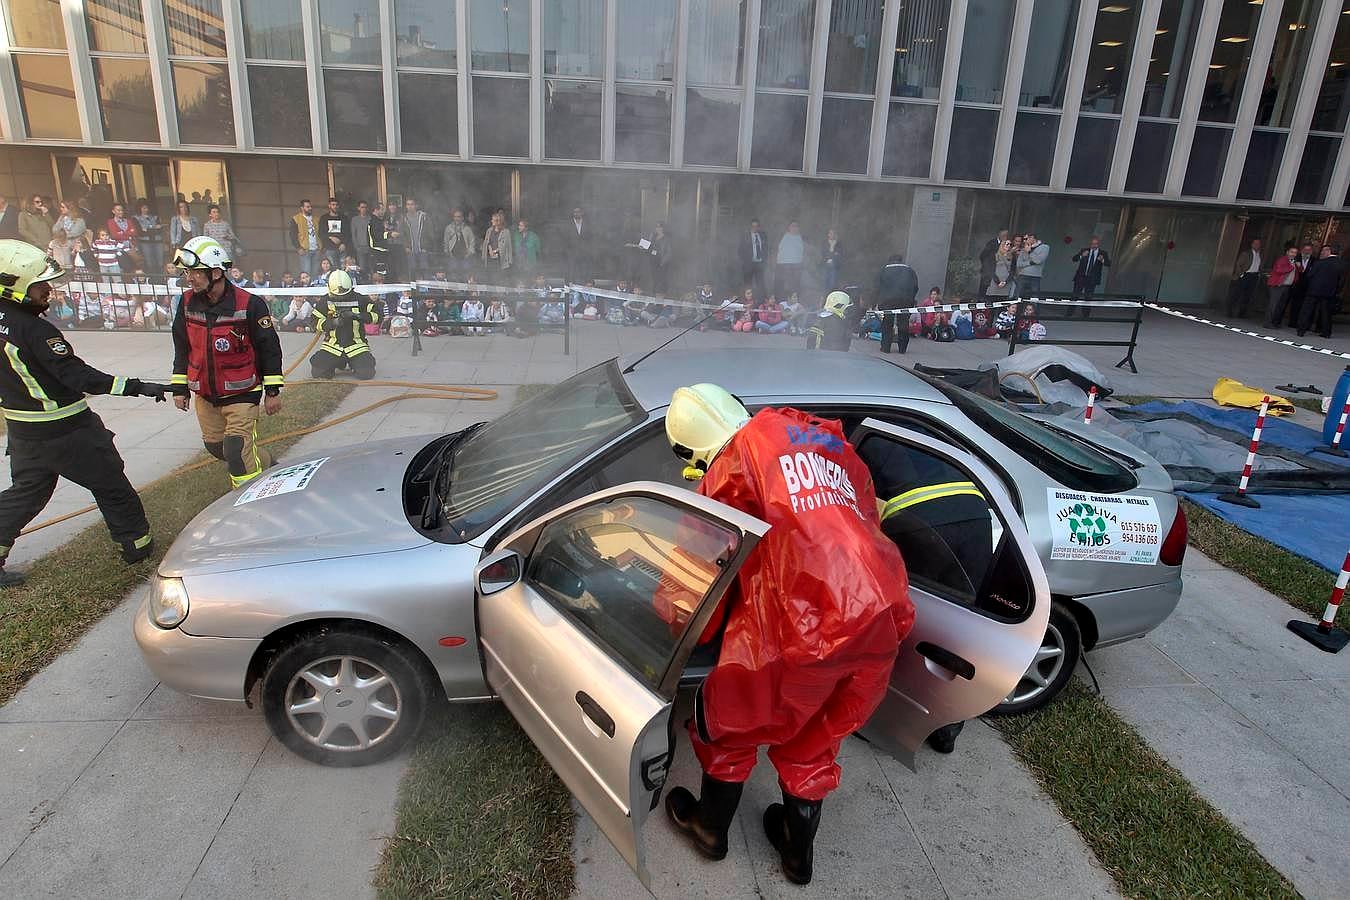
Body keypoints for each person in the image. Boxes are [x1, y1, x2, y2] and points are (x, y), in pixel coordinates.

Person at [661, 384, 914, 885]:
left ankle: (709, 830)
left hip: (804, 633)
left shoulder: (732, 465)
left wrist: (675, 627)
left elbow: (697, 572)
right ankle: (798, 857)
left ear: (694, 456)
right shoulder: (821, 439)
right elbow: (860, 516)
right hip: (882, 615)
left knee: (730, 722)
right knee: (816, 737)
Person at [0, 240, 170, 584]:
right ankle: (138, 548)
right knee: (112, 486)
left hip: (23, 432)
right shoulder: (36, 330)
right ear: (14, 287)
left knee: (26, 494)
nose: (48, 291)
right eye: (40, 286)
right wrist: (139, 386)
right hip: (67, 430)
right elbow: (79, 377)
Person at [169, 236, 284, 490]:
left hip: (242, 393)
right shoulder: (186, 304)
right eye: (187, 272)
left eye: (196, 272)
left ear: (217, 272)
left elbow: (269, 349)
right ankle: (269, 466)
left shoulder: (250, 305)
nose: (189, 278)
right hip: (206, 395)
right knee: (216, 446)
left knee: (236, 451)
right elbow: (182, 347)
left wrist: (272, 391)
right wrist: (180, 387)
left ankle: (249, 504)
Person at [310, 270, 379, 379]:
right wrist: (333, 322)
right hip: (333, 346)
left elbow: (377, 315)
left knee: (366, 373)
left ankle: (355, 363)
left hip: (356, 345)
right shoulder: (325, 301)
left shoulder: (360, 299)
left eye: (344, 294)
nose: (341, 299)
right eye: (337, 296)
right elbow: (314, 321)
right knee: (318, 372)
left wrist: (358, 316)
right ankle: (337, 363)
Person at [876, 253, 919, 354]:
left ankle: (885, 348)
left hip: (888, 301)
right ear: (901, 260)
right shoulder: (910, 271)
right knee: (903, 324)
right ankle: (902, 349)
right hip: (905, 301)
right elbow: (916, 287)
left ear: (890, 260)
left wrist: (877, 301)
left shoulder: (884, 270)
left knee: (887, 323)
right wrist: (911, 299)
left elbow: (877, 287)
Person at [1298, 243, 1342, 339]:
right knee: (1326, 312)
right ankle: (1326, 332)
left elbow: (1310, 275)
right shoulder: (1340, 264)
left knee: (1307, 310)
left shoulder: (1320, 262)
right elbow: (1341, 280)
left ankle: (1301, 330)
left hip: (1314, 290)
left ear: (1329, 251)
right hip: (1329, 292)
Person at [1070, 236, 1111, 318]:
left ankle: (1085, 315)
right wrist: (1082, 256)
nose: (1093, 245)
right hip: (1081, 277)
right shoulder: (1084, 250)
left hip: (1092, 279)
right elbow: (1074, 259)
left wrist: (1102, 260)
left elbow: (1108, 264)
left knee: (1088, 297)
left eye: (1095, 244)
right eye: (1092, 244)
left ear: (1098, 244)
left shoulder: (1103, 253)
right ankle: (1069, 313)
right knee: (1075, 296)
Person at [1265, 245, 1300, 329]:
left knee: (1280, 305)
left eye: (1295, 252)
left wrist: (1298, 267)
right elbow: (1279, 270)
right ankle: (1268, 322)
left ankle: (1275, 322)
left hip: (1287, 286)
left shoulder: (1293, 261)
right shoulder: (1282, 260)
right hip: (1278, 285)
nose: (1293, 254)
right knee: (1273, 304)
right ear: (1287, 252)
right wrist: (1291, 267)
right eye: (1292, 252)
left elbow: (1297, 272)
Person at [1230, 238, 1263, 318]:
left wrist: (1259, 273)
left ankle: (1242, 313)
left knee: (1248, 295)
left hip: (1254, 276)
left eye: (1258, 244)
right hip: (1245, 275)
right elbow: (1238, 264)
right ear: (1252, 244)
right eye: (1255, 243)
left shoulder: (1260, 254)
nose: (1257, 245)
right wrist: (1241, 274)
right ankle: (1230, 311)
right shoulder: (1246, 253)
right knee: (1237, 294)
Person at [133, 200, 165, 276]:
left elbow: (160, 230)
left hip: (158, 241)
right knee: (149, 262)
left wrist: (147, 229)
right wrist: (154, 228)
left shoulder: (155, 217)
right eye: (143, 208)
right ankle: (152, 279)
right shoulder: (136, 218)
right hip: (145, 243)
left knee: (160, 262)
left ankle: (161, 278)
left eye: (147, 208)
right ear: (139, 208)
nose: (146, 210)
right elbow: (140, 232)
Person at [443, 208, 477, 277]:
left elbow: (472, 242)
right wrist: (447, 252)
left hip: (465, 257)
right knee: (453, 274)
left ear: (462, 218)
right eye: (455, 217)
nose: (457, 219)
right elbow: (445, 241)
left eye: (459, 217)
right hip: (453, 257)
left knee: (466, 274)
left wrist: (470, 252)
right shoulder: (449, 228)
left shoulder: (467, 229)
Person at [561, 206, 593, 281]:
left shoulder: (588, 224)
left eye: (578, 212)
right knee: (571, 270)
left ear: (582, 213)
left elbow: (591, 238)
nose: (576, 213)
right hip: (571, 252)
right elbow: (564, 239)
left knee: (584, 270)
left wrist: (588, 249)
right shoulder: (567, 224)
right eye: (575, 212)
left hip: (584, 252)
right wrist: (567, 251)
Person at [739, 219, 768, 299]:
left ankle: (761, 301)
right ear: (750, 227)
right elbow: (740, 250)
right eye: (753, 226)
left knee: (760, 284)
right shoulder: (745, 236)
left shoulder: (763, 235)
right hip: (749, 264)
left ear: (759, 227)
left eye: (756, 226)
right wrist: (744, 261)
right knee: (748, 285)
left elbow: (766, 248)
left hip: (759, 263)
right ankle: (746, 301)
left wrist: (765, 260)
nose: (755, 228)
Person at [292, 199, 321, 277]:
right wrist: (298, 248)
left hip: (316, 249)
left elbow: (321, 233)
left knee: (315, 274)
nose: (310, 208)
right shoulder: (296, 219)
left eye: (310, 206)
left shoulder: (316, 219)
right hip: (305, 250)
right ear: (302, 208)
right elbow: (292, 235)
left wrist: (321, 246)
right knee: (306, 273)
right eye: (307, 207)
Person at [402, 197, 430, 278]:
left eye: (412, 204)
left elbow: (429, 232)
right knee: (412, 271)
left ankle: (425, 289)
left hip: (422, 248)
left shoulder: (423, 217)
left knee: (424, 270)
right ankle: (413, 290)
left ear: (416, 206)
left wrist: (426, 246)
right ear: (406, 206)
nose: (410, 206)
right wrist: (406, 246)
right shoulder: (404, 219)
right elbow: (402, 235)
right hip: (410, 249)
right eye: (408, 204)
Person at [1016, 232, 1049, 298]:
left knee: (1034, 298)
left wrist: (1029, 252)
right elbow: (1019, 264)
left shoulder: (1044, 247)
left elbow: (1038, 260)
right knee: (1018, 297)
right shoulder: (1024, 249)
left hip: (1035, 277)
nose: (1024, 241)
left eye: (1026, 239)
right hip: (1023, 275)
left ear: (1032, 238)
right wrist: (1030, 263)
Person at [775, 221, 804, 295]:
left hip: (797, 264)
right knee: (787, 283)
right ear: (789, 228)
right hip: (785, 264)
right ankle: (785, 298)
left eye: (796, 226)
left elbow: (801, 250)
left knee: (796, 283)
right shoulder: (785, 236)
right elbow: (780, 249)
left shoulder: (799, 237)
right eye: (792, 226)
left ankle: (795, 298)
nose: (794, 228)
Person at [319, 197, 348, 270]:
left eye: (336, 205)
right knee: (331, 269)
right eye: (333, 204)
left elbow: (347, 233)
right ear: (329, 206)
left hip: (342, 248)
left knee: (343, 269)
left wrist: (344, 243)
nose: (335, 206)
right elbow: (321, 233)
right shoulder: (324, 218)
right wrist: (331, 237)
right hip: (329, 248)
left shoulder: (343, 218)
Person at [979, 229, 1008, 299]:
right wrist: (986, 265)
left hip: (999, 272)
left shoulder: (1007, 244)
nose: (1005, 237)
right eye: (1003, 235)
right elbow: (983, 255)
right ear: (999, 234)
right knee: (984, 290)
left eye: (1006, 235)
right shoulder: (991, 243)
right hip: (988, 270)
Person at [646, 222, 673, 294]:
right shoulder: (653, 236)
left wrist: (662, 262)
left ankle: (661, 295)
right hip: (652, 260)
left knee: (660, 280)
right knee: (653, 279)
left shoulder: (667, 239)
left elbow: (669, 253)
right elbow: (648, 247)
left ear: (663, 228)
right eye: (656, 227)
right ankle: (653, 293)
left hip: (661, 261)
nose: (658, 228)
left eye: (659, 227)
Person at [349, 200, 372, 276]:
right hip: (360, 248)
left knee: (371, 267)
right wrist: (356, 247)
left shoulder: (370, 219)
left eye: (365, 207)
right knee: (362, 268)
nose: (364, 209)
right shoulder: (355, 219)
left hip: (369, 247)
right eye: (362, 207)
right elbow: (353, 234)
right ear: (358, 208)